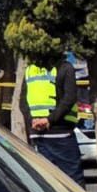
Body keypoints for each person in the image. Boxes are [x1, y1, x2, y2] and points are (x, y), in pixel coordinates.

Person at [24, 55, 83, 184]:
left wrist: (33, 121)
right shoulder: (65, 67)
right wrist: (49, 120)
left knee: (48, 182)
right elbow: (69, 98)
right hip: (61, 133)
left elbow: (24, 101)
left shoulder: (30, 70)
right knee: (73, 180)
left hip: (38, 134)